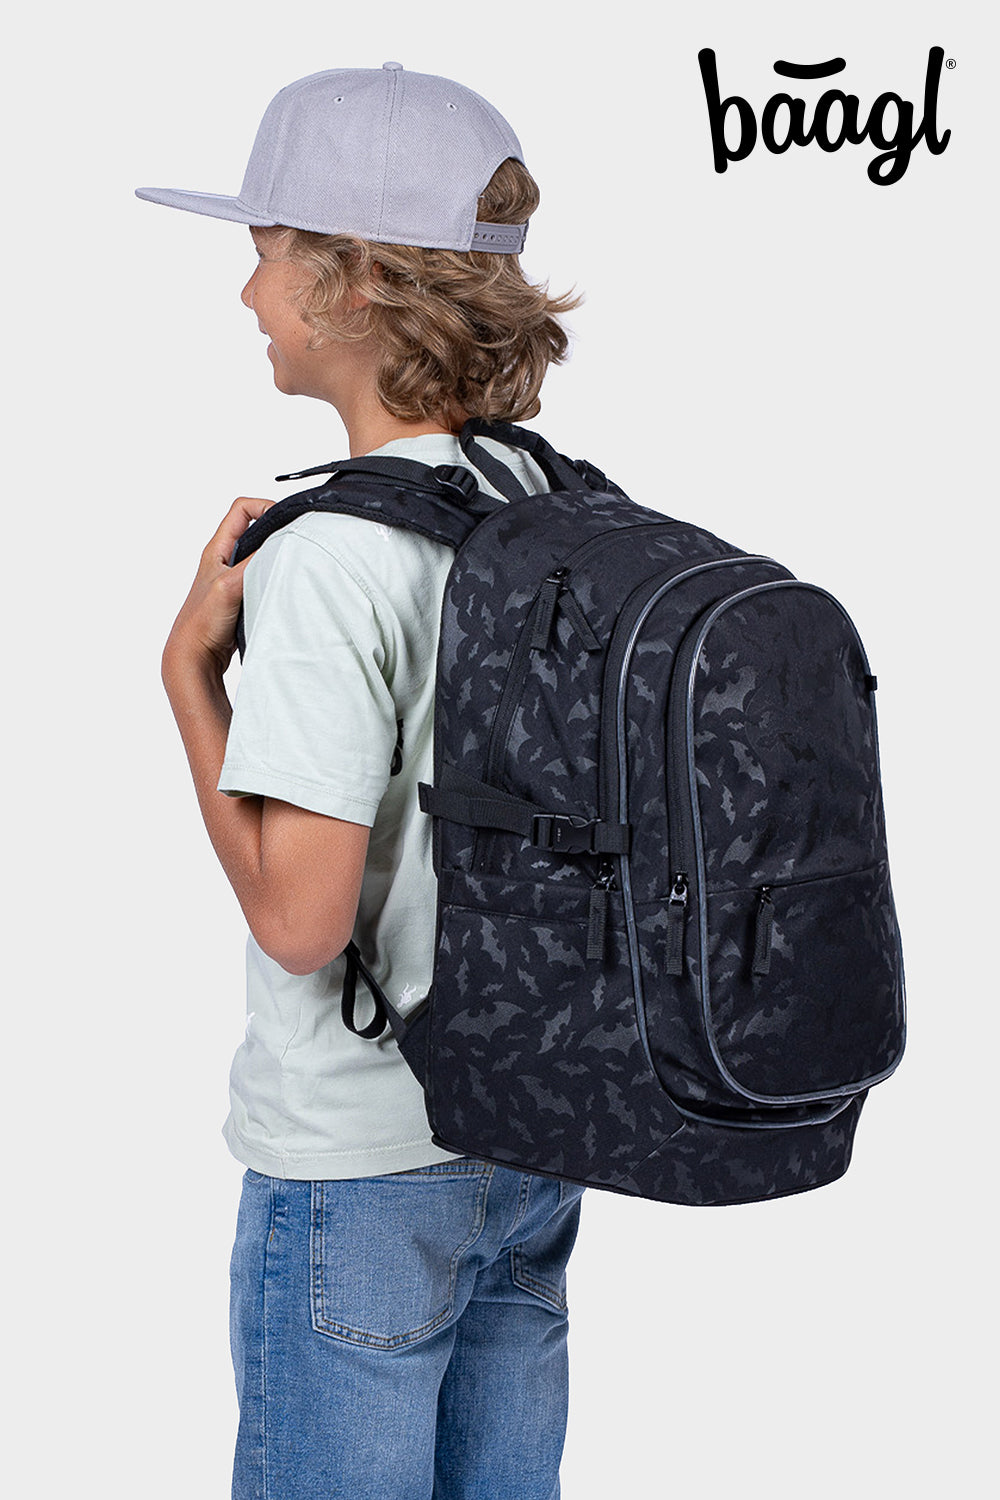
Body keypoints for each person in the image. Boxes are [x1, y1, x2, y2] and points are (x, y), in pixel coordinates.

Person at [138, 62, 588, 1500]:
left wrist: (187, 681)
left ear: (356, 280)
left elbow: (302, 922)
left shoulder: (331, 556)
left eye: (266, 252)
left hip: (358, 1169)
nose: (248, 293)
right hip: (529, 1138)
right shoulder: (544, 500)